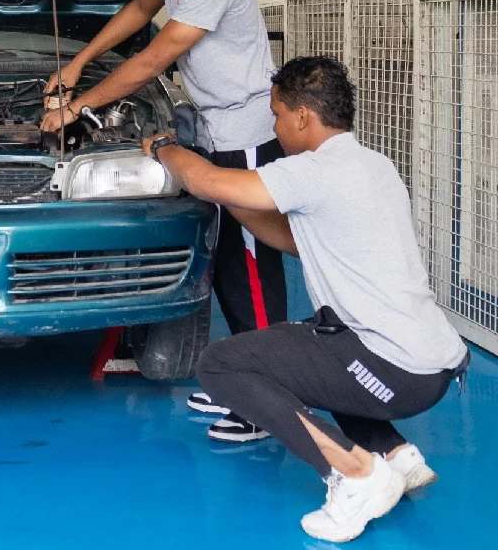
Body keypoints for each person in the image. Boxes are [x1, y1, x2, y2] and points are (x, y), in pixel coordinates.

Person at [143, 56, 469, 543]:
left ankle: (355, 475)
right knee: (317, 343)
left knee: (222, 365)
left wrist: (166, 149)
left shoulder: (315, 171)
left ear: (302, 117)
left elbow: (205, 180)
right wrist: (235, 198)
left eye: (276, 115)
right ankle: (395, 455)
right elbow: (294, 239)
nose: (274, 126)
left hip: (397, 374)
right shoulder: (372, 165)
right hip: (431, 363)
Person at [40, 0, 286, 441]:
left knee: (249, 270)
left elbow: (156, 57)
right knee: (223, 260)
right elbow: (140, 9)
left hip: (243, 132)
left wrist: (78, 105)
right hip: (213, 123)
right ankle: (245, 383)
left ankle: (269, 401)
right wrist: (81, 61)